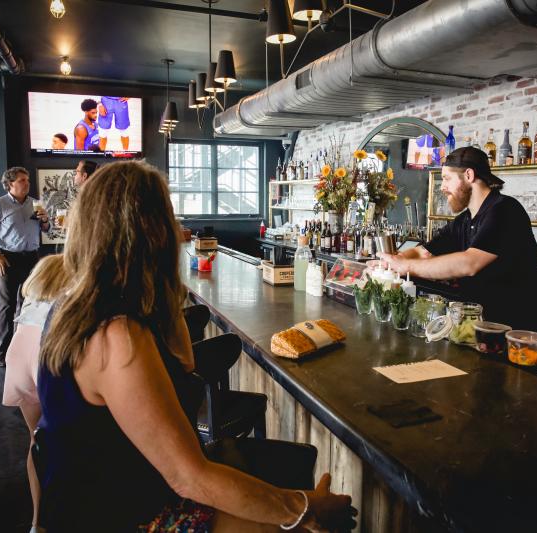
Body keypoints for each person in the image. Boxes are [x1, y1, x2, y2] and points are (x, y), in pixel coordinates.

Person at [37, 161, 356, 532]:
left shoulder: (74, 306)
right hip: (118, 516)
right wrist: (303, 509)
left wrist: (163, 283)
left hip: (88, 504)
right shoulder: (117, 335)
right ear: (152, 232)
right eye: (169, 217)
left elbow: (185, 364)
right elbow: (189, 476)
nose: (177, 229)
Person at [376, 147, 537, 330]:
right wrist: (392, 262)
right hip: (488, 324)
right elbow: (424, 251)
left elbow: (469, 263)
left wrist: (405, 266)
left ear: (468, 175)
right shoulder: (464, 220)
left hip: (525, 327)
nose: (442, 187)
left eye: (446, 179)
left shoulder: (505, 210)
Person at [2, 254, 69, 533]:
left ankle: (36, 522)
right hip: (46, 353)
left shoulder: (35, 286)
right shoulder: (72, 286)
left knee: (36, 440)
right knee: (68, 440)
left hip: (18, 354)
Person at [0, 167, 50, 366]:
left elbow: (45, 228)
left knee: (30, 304)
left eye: (27, 179)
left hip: (32, 259)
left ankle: (24, 350)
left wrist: (45, 221)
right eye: (22, 180)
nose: (27, 183)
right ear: (10, 184)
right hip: (8, 259)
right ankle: (2, 354)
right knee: (7, 306)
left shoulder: (34, 203)